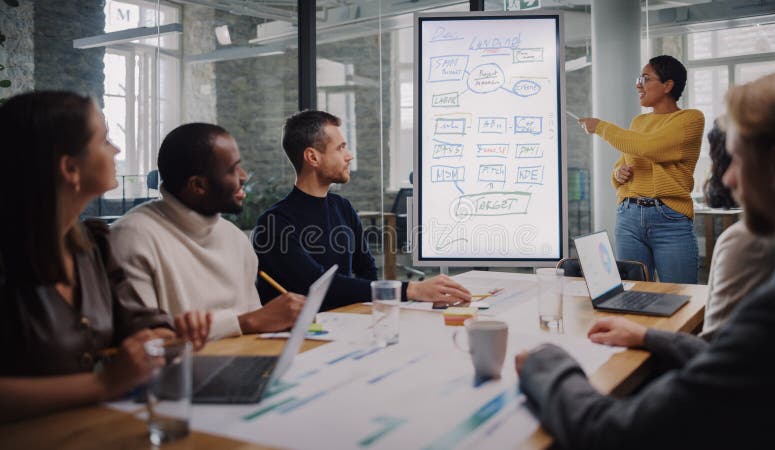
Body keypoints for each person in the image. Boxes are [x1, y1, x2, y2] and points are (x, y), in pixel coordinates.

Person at [516, 63, 775, 449]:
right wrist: (651, 336)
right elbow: (729, 357)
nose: (727, 181)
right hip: (631, 212)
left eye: (733, 160)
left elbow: (613, 432)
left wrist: (546, 362)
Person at [0, 92, 210, 423]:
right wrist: (102, 383)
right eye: (105, 140)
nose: (117, 150)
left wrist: (167, 336)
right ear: (70, 168)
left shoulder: (93, 245)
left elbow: (139, 320)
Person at [253, 110, 470, 311]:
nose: (349, 156)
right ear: (313, 157)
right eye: (340, 148)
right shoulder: (274, 224)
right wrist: (410, 290)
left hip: (348, 324)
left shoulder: (343, 208)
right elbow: (318, 287)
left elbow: (367, 272)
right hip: (301, 340)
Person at [110, 123, 306, 340]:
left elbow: (257, 324)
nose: (243, 176)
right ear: (198, 186)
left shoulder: (235, 239)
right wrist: (244, 322)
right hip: (181, 371)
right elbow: (144, 342)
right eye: (232, 169)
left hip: (245, 363)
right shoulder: (131, 237)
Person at [579, 55, 704, 283]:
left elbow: (649, 148)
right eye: (639, 79)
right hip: (629, 216)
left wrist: (601, 127)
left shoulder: (690, 119)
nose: (638, 84)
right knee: (633, 294)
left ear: (668, 85)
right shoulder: (638, 122)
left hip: (669, 218)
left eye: (645, 79)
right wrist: (618, 174)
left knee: (680, 296)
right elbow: (624, 162)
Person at [700, 118, 775, 339]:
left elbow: (715, 348)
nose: (725, 178)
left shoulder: (747, 240)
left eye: (735, 160)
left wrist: (649, 338)